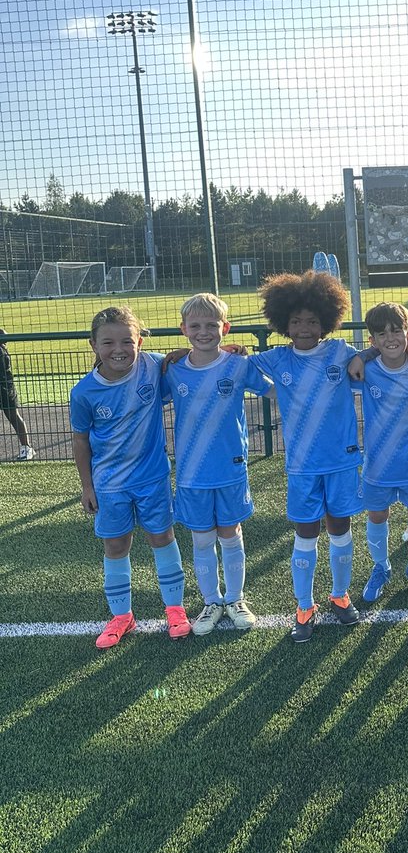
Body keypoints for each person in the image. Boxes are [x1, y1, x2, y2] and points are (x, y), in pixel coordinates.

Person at [249, 271, 364, 643]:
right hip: (302, 466)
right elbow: (242, 370)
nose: (304, 328)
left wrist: (367, 356)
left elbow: (368, 359)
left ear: (326, 322)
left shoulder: (339, 351)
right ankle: (303, 606)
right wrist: (271, 390)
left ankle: (340, 595)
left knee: (340, 527)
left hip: (341, 461)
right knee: (306, 532)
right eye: (296, 321)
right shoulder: (277, 358)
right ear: (284, 323)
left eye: (312, 321)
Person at [69, 305, 190, 649]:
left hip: (152, 478)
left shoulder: (152, 366)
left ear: (140, 341)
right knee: (116, 546)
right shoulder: (84, 392)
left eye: (127, 341)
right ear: (94, 345)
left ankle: (175, 610)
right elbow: (80, 441)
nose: (118, 349)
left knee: (162, 538)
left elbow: (192, 361)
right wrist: (87, 486)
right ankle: (122, 616)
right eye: (108, 343)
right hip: (109, 485)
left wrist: (214, 350)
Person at [163, 294, 274, 636]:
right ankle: (211, 601)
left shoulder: (239, 365)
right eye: (195, 326)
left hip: (230, 469)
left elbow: (274, 391)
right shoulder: (173, 370)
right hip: (192, 474)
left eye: (211, 325)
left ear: (225, 328)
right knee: (201, 539)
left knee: (230, 533)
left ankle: (236, 599)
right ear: (183, 329)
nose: (203, 332)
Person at [355, 302, 408, 603]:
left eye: (397, 331)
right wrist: (364, 355)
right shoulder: (366, 370)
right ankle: (381, 567)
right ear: (372, 340)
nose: (390, 338)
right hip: (378, 465)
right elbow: (342, 363)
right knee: (377, 515)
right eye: (382, 334)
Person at [0, 329, 34, 460]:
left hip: (5, 387)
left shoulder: (2, 352)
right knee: (14, 416)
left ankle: (27, 447)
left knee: (13, 416)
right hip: (6, 386)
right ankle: (26, 448)